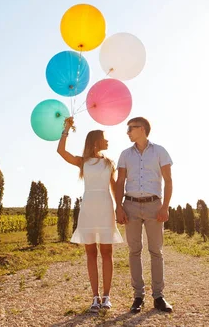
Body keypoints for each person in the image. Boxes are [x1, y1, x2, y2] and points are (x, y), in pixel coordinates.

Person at [57, 117, 124, 312]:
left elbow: (114, 187)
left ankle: (107, 296)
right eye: (105, 138)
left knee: (107, 252)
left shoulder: (109, 163)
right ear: (95, 141)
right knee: (91, 253)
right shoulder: (82, 162)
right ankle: (95, 297)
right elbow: (61, 151)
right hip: (88, 209)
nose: (108, 141)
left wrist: (119, 207)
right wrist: (66, 129)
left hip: (105, 207)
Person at [114, 116, 174, 313]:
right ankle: (138, 296)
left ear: (142, 129)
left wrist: (165, 206)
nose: (128, 132)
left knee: (156, 251)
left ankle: (158, 296)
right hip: (130, 205)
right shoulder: (124, 154)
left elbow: (168, 180)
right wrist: (119, 207)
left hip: (153, 206)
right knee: (134, 251)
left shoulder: (160, 151)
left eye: (131, 128)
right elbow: (120, 181)